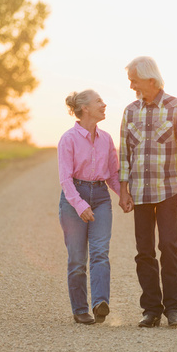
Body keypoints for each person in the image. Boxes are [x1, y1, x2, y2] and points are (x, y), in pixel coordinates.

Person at [119, 56, 177, 328]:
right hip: (139, 191)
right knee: (144, 251)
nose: (131, 86)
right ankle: (151, 309)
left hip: (168, 190)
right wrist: (123, 190)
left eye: (134, 80)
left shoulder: (176, 107)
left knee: (168, 246)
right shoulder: (130, 112)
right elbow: (124, 154)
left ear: (150, 80)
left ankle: (173, 307)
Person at [58, 90, 120, 324]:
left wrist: (124, 196)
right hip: (74, 197)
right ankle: (80, 309)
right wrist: (80, 204)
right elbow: (65, 180)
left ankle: (100, 303)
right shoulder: (68, 139)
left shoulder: (106, 139)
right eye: (99, 102)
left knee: (100, 253)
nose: (104, 105)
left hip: (101, 197)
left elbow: (113, 175)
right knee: (77, 259)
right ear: (85, 108)